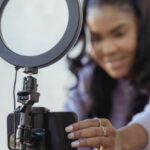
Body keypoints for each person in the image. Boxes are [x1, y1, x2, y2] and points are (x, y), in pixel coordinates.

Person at [64, 0, 150, 149]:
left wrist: (121, 140)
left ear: (143, 27)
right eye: (97, 38)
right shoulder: (90, 76)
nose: (108, 49)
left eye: (119, 34)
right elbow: (69, 128)